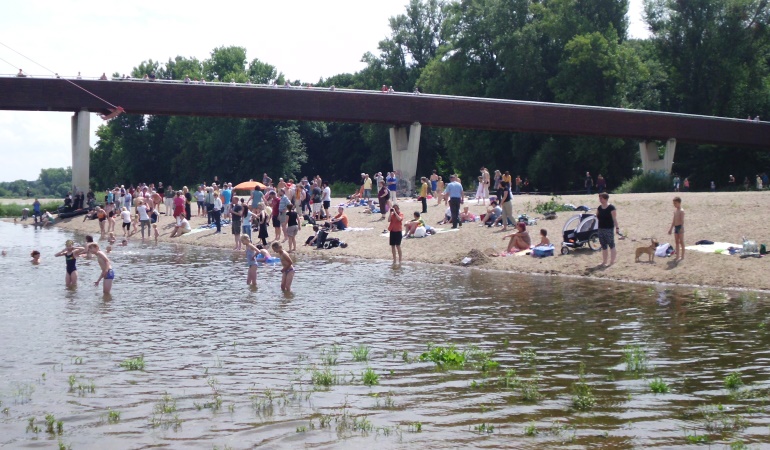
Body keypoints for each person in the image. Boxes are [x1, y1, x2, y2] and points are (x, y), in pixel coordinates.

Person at [597, 192, 619, 267]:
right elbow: (597, 216)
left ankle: (612, 262)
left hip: (609, 228)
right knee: (603, 246)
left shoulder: (611, 207)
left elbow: (614, 218)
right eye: (599, 198)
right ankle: (604, 261)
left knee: (611, 245)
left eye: (601, 198)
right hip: (601, 228)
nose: (600, 200)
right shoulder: (599, 208)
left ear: (605, 199)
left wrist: (617, 227)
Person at [668, 196, 685, 261]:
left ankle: (682, 256)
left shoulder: (681, 211)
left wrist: (682, 227)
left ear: (679, 203)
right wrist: (670, 229)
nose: (674, 205)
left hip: (680, 227)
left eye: (675, 203)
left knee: (681, 241)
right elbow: (674, 220)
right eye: (674, 203)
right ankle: (677, 255)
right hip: (676, 227)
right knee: (676, 242)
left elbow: (682, 220)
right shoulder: (675, 211)